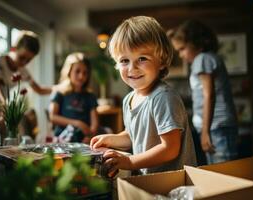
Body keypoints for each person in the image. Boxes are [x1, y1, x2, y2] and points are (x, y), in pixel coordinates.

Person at [90, 16, 197, 176]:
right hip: (150, 182)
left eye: (142, 58)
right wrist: (111, 139)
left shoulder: (163, 97)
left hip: (175, 183)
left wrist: (130, 162)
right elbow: (133, 136)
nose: (132, 68)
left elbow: (170, 148)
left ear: (161, 61)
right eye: (124, 60)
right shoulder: (129, 100)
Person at [169, 20, 238, 164]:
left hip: (216, 127)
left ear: (196, 43)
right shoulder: (208, 58)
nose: (181, 55)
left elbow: (209, 95)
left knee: (223, 175)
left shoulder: (202, 59)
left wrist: (205, 131)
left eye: (182, 49)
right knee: (219, 173)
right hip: (216, 127)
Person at [0, 30, 52, 104]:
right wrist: (7, 110)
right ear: (13, 49)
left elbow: (39, 90)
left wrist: (60, 88)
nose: (24, 62)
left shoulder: (22, 70)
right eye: (21, 57)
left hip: (4, 108)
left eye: (28, 60)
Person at [49, 52, 99, 143]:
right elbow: (52, 117)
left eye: (85, 73)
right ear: (69, 72)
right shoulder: (59, 92)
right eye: (77, 71)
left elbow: (94, 124)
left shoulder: (90, 96)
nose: (81, 76)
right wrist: (78, 123)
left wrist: (90, 136)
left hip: (83, 139)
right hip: (62, 138)